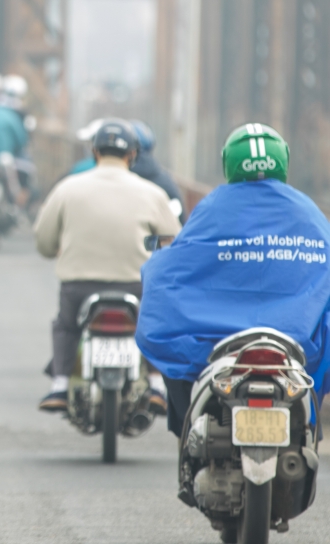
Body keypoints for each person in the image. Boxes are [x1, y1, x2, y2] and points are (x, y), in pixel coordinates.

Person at [136, 123, 330, 436]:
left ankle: (191, 429)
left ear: (228, 162)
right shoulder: (308, 212)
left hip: (222, 347)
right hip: (294, 343)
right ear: (284, 161)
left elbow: (176, 265)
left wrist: (156, 263)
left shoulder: (213, 207)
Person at [33, 119, 181, 412]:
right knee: (152, 323)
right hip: (135, 285)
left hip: (78, 286)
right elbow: (173, 241)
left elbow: (43, 240)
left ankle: (60, 387)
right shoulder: (151, 192)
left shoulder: (68, 189)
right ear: (132, 155)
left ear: (95, 152)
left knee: (66, 326)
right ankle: (155, 385)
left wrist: (56, 249)